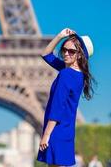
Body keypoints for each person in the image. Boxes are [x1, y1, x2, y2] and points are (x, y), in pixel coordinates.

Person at [36, 28, 97, 167]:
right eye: (64, 50)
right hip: (67, 131)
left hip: (56, 131)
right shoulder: (78, 75)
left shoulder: (65, 74)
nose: (66, 54)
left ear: (80, 55)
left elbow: (57, 108)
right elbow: (46, 54)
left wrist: (46, 135)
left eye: (72, 51)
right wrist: (60, 36)